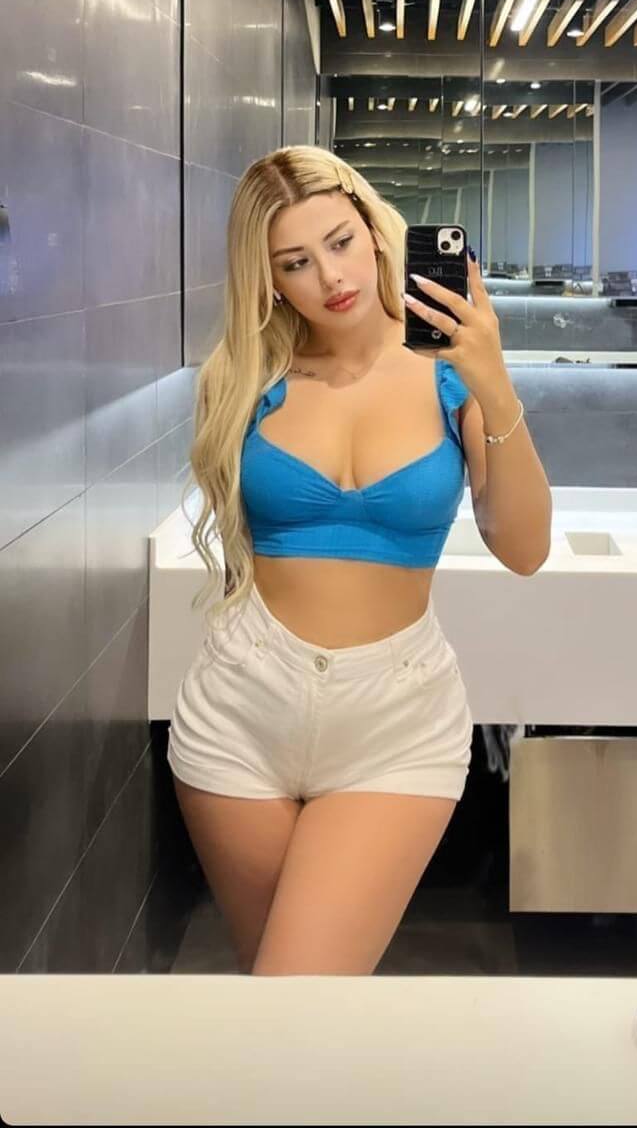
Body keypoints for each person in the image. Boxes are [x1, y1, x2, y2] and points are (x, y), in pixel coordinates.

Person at [167, 146, 552, 975]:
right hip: (240, 710)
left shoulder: (449, 374)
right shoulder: (246, 377)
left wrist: (494, 381)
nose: (330, 277)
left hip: (395, 721)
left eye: (339, 242)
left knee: (297, 990)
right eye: (295, 262)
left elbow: (524, 549)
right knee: (282, 1006)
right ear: (269, 279)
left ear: (373, 230)